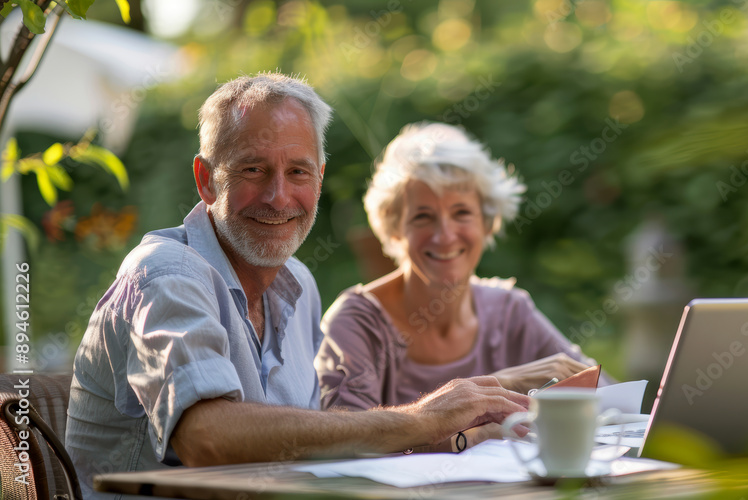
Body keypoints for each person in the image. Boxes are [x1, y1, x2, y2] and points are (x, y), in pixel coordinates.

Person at [65, 74, 529, 498]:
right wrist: (422, 418)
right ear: (206, 180)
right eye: (252, 169)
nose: (279, 196)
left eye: (298, 172)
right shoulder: (166, 274)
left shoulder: (299, 285)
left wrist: (444, 437)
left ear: (320, 179)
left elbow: (309, 445)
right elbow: (207, 438)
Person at [314, 123, 603, 442]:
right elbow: (342, 440)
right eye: (423, 216)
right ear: (395, 227)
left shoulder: (509, 310)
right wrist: (499, 385)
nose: (445, 236)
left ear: (488, 221)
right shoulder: (358, 321)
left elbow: (608, 397)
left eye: (462, 213)